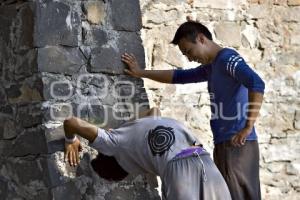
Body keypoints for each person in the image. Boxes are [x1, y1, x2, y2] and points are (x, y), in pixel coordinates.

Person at [121, 21, 265, 200]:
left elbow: (257, 84)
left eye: (189, 51)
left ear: (201, 39)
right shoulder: (212, 67)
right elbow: (178, 77)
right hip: (225, 143)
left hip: (237, 143)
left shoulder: (227, 58)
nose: (189, 58)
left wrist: (248, 126)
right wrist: (141, 73)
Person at [64, 107, 232, 200]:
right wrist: (124, 126)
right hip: (203, 158)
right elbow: (154, 111)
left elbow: (71, 122)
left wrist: (70, 140)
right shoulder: (124, 135)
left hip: (179, 167)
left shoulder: (112, 144)